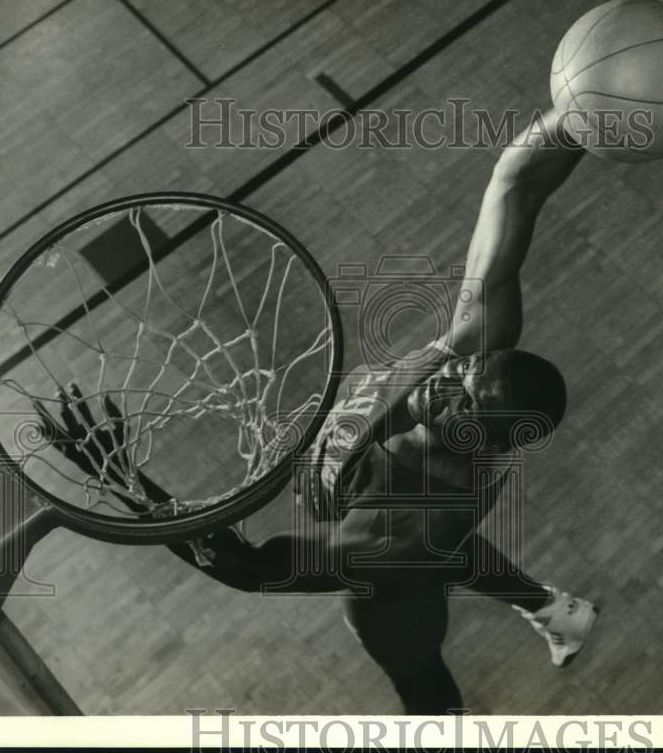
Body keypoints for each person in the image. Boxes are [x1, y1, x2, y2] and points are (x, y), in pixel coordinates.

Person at [37, 106, 597, 714]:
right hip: (399, 501)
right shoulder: (470, 349)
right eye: (463, 371)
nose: (446, 382)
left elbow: (246, 566)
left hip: (396, 575)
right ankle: (554, 610)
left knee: (416, 672)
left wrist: (119, 472)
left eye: (460, 401)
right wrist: (585, 109)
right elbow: (516, 186)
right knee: (452, 549)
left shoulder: (392, 540)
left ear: (475, 438)